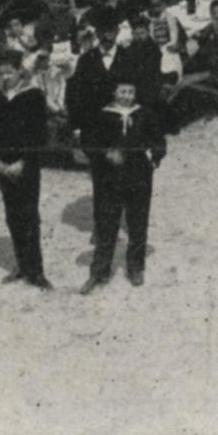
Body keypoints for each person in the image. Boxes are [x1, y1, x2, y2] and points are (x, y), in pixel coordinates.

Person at [78, 79, 167, 292]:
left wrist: (154, 157)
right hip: (108, 177)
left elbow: (158, 140)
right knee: (106, 222)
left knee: (137, 220)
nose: (127, 96)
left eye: (130, 92)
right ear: (114, 93)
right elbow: (88, 142)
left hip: (138, 175)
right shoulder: (101, 115)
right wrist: (106, 153)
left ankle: (135, 267)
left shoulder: (144, 114)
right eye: (123, 92)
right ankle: (99, 271)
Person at [0, 49, 53, 289]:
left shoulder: (33, 95)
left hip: (26, 165)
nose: (6, 77)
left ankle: (36, 271)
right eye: (2, 73)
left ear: (19, 71)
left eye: (10, 72)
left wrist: (22, 161)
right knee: (12, 215)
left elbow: (39, 134)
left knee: (29, 215)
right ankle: (21, 265)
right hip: (3, 167)